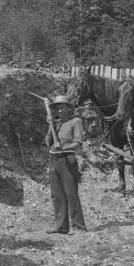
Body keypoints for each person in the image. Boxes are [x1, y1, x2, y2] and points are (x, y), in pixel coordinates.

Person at [44, 94, 87, 234]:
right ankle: (61, 226)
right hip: (53, 160)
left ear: (69, 108)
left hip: (67, 160)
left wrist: (63, 148)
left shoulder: (76, 122)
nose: (60, 111)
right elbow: (48, 143)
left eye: (63, 108)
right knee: (57, 195)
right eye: (58, 109)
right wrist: (50, 127)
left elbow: (78, 143)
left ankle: (79, 226)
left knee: (71, 193)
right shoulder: (55, 123)